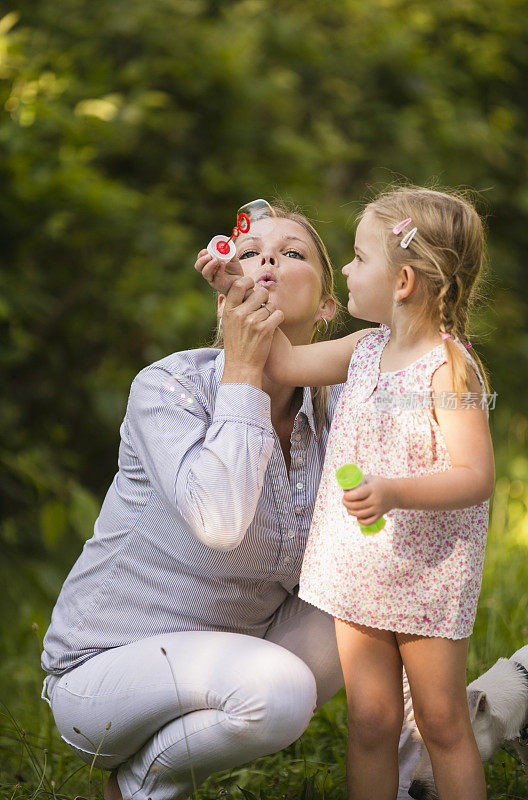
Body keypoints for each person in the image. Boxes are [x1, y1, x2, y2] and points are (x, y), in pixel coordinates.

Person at [40, 202, 422, 800]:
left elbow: (389, 548)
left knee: (376, 586)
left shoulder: (342, 408)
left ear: (327, 305)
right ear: (224, 293)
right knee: (280, 690)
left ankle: (410, 782)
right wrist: (243, 367)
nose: (268, 257)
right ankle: (143, 781)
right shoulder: (167, 388)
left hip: (241, 661)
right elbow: (220, 520)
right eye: (250, 251)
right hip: (108, 672)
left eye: (293, 252)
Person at [209, 188, 495, 800]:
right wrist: (241, 285)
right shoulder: (362, 350)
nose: (348, 270)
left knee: (441, 721)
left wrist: (393, 490)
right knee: (370, 720)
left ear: (403, 283)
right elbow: (282, 362)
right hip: (358, 568)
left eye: (360, 259)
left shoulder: (449, 368)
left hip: (426, 574)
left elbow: (476, 475)